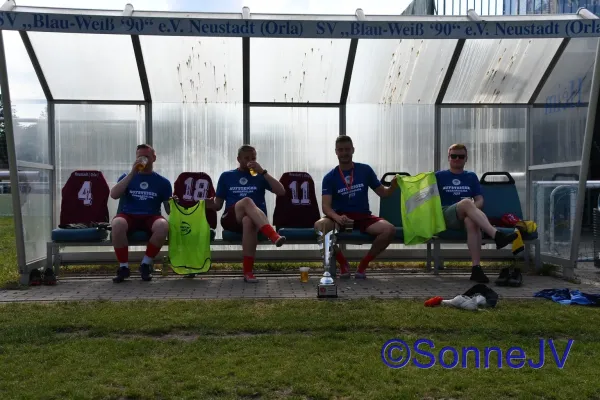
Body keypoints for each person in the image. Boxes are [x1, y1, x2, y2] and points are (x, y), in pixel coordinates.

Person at [314, 135, 397, 279]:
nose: (344, 153)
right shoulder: (329, 177)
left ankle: (363, 265)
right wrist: (337, 217)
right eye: (341, 150)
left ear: (353, 150)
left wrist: (393, 186)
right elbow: (326, 207)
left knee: (389, 230)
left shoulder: (365, 170)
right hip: (339, 218)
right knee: (320, 226)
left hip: (363, 216)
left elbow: (383, 193)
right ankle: (343, 264)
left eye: (347, 149)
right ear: (336, 152)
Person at [435, 143, 518, 283]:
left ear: (466, 158)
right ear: (448, 158)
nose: (457, 159)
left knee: (471, 221)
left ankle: (476, 268)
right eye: (453, 156)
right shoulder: (439, 176)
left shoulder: (471, 176)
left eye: (461, 156)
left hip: (464, 216)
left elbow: (480, 200)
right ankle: (496, 235)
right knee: (467, 202)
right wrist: (468, 206)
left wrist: (471, 210)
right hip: (446, 214)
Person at [213, 145, 287, 283]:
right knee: (247, 201)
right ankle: (272, 235)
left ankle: (248, 272)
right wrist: (206, 203)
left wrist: (263, 172)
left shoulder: (260, 176)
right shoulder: (227, 176)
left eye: (253, 158)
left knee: (248, 221)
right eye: (246, 158)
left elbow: (281, 191)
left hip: (255, 220)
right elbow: (217, 205)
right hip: (231, 217)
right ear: (238, 159)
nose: (250, 161)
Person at [110, 144, 173, 283]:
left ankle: (145, 264)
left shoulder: (163, 182)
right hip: (129, 215)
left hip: (151, 216)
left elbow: (169, 210)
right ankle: (123, 267)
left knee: (163, 226)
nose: (143, 160)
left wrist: (175, 203)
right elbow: (114, 195)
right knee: (117, 223)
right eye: (140, 157)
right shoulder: (127, 177)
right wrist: (133, 173)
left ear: (154, 158)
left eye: (146, 157)